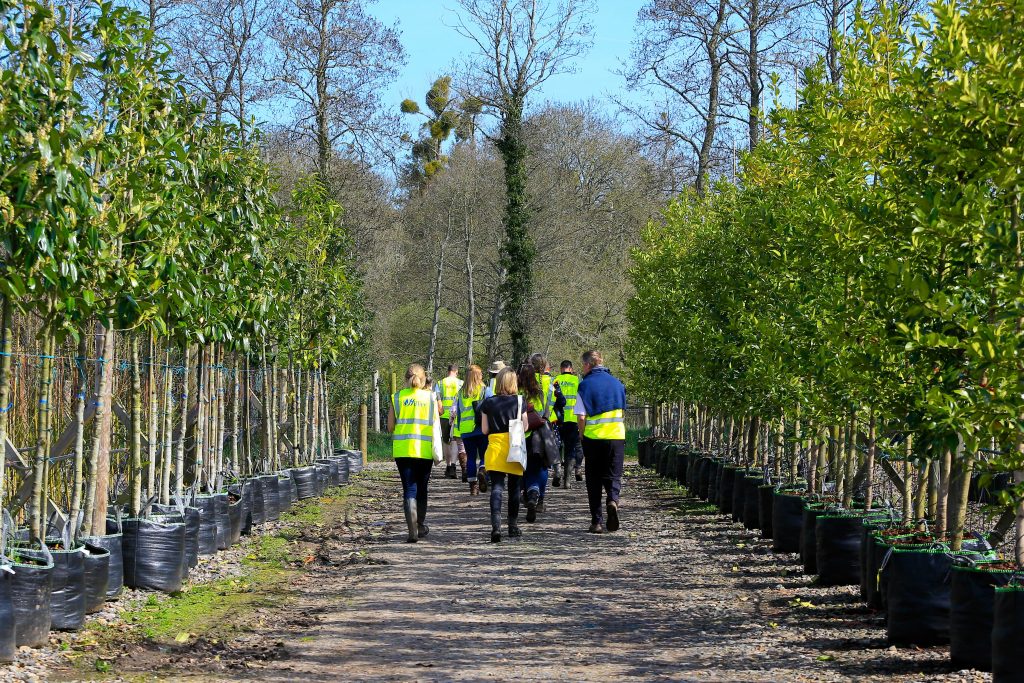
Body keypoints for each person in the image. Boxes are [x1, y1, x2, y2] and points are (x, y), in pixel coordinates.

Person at [575, 350, 627, 534]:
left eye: (583, 365)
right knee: (613, 475)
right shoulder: (618, 384)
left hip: (594, 438)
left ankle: (597, 521)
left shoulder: (585, 386)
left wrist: (582, 434)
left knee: (594, 480)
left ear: (588, 365)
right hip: (616, 437)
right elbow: (622, 411)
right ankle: (612, 501)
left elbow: (581, 416)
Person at [387, 364, 438, 543]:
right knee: (422, 489)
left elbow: (390, 426)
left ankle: (412, 530)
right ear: (424, 378)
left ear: (405, 379)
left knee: (409, 488)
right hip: (424, 450)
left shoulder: (398, 397)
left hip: (403, 449)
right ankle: (420, 524)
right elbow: (438, 418)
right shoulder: (431, 397)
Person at [480, 367, 528, 542]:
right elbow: (526, 426)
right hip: (514, 446)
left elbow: (485, 430)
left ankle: (496, 527)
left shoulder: (488, 403)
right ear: (514, 382)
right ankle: (513, 526)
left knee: (497, 488)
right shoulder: (520, 401)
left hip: (495, 448)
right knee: (514, 488)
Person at [451, 365, 488, 495]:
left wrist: (459, 429)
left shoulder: (460, 393)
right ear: (478, 376)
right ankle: (483, 470)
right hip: (481, 428)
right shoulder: (484, 390)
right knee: (485, 455)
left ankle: (473, 487)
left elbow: (459, 413)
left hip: (466, 431)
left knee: (471, 458)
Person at [555, 360, 584, 487]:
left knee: (556, 446)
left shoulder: (555, 380)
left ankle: (558, 472)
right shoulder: (577, 381)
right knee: (571, 449)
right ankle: (567, 480)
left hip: (558, 419)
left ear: (561, 369)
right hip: (573, 419)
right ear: (571, 369)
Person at [436, 365, 464, 480]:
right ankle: (453, 465)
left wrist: (440, 411)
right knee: (455, 441)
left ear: (448, 371)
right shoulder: (461, 383)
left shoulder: (440, 383)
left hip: (444, 416)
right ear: (456, 372)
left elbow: (438, 399)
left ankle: (448, 467)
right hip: (457, 415)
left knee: (446, 441)